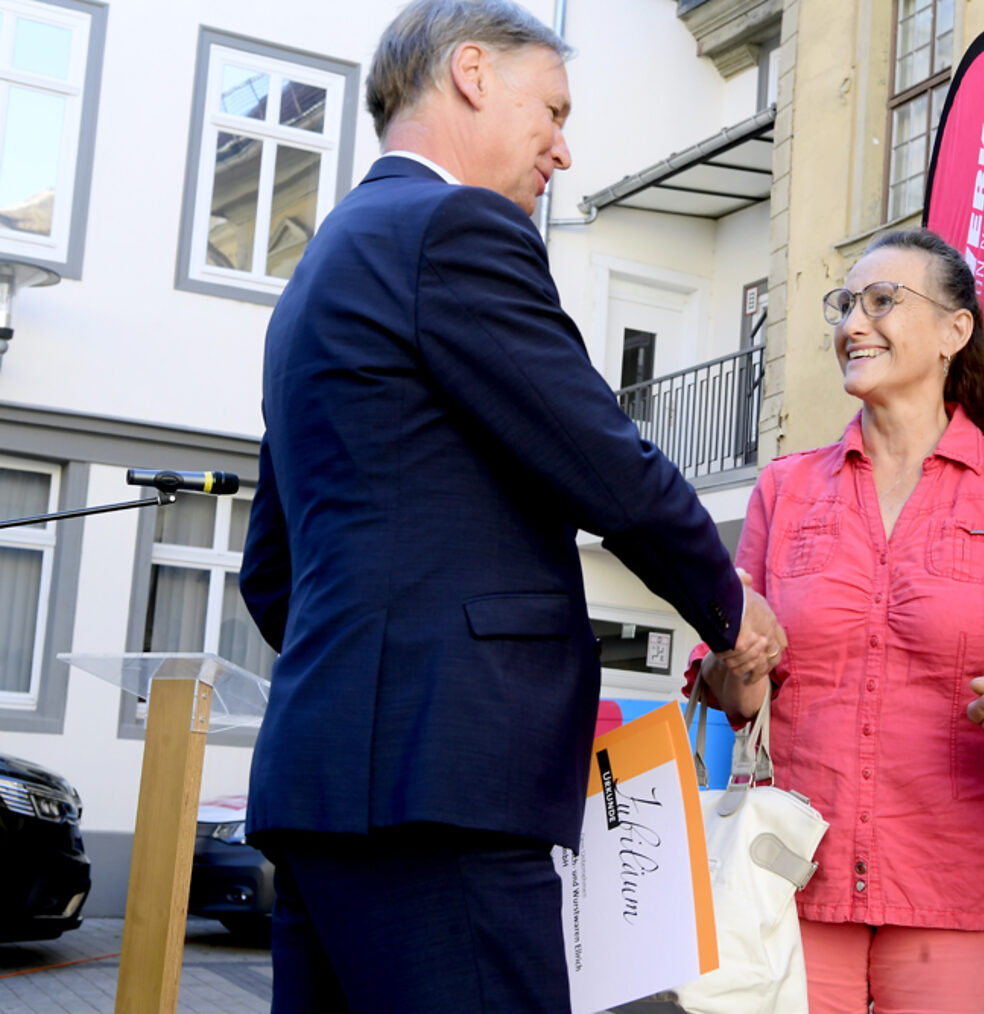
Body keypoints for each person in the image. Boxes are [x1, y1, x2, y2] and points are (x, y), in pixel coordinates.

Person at [237, 3, 784, 1011]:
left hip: (322, 786)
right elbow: (600, 457)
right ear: (473, 73)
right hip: (439, 792)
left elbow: (270, 570)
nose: (564, 151)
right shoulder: (452, 228)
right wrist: (729, 605)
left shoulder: (318, 270)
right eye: (555, 109)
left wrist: (375, 673)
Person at [689, 227, 984, 1014]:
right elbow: (728, 694)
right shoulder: (786, 487)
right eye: (845, 305)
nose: (852, 324)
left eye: (881, 302)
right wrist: (737, 665)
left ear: (954, 330)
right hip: (797, 870)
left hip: (959, 879)